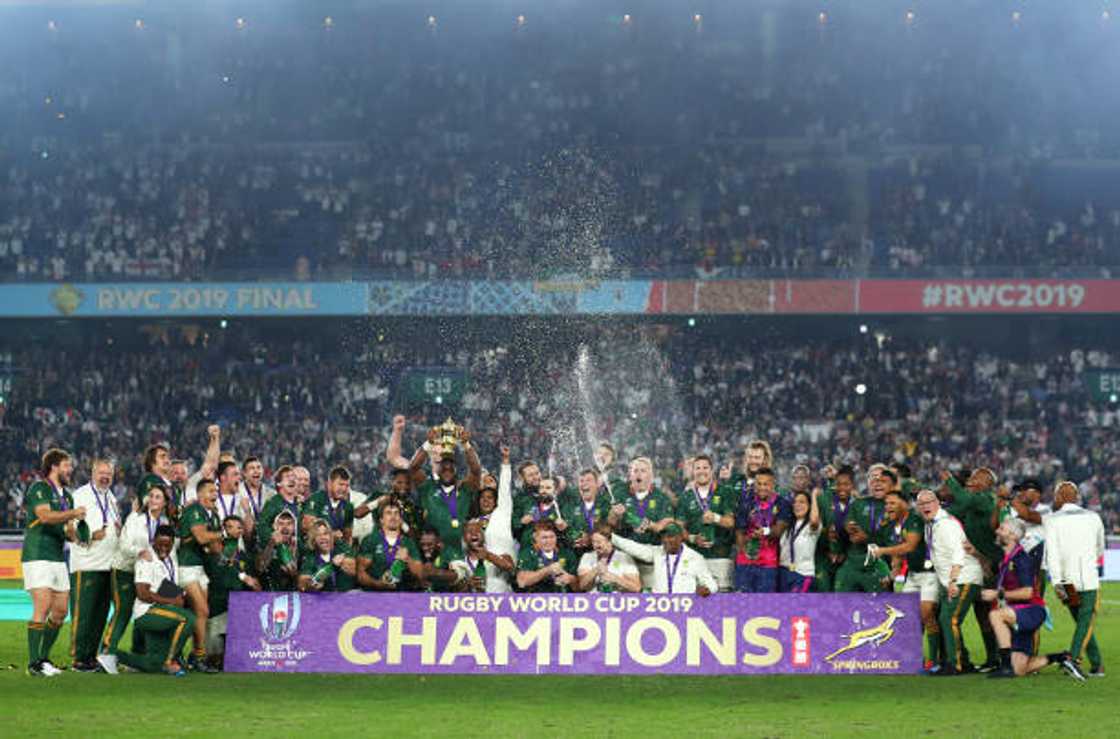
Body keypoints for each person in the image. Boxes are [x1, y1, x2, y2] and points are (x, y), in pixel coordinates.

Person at [97, 525, 194, 677]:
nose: (163, 548)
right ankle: (171, 661)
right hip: (147, 612)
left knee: (153, 664)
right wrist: (171, 600)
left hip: (163, 612)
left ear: (173, 543)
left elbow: (164, 583)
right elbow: (142, 594)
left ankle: (114, 656)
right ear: (153, 541)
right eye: (160, 544)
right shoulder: (146, 560)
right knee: (187, 619)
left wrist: (179, 595)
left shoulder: (171, 557)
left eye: (167, 545)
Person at [23, 449, 85, 677]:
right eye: (67, 466)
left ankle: (44, 658)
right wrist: (72, 513)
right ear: (54, 466)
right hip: (37, 554)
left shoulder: (66, 496)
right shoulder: (40, 488)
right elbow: (45, 516)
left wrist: (82, 536)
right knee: (43, 605)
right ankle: (33, 664)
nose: (70, 470)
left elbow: (68, 531)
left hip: (58, 557)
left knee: (60, 611)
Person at [984, 519, 1070, 679]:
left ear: (1013, 536)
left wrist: (997, 594)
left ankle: (1004, 665)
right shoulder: (1007, 559)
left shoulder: (1021, 559)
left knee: (995, 615)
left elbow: (1027, 593)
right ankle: (1060, 657)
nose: (997, 531)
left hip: (1031, 611)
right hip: (1017, 613)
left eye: (1001, 529)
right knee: (1020, 670)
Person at [869, 488, 939, 668]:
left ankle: (934, 660)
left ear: (905, 504)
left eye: (892, 503)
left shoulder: (914, 520)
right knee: (908, 617)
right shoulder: (895, 525)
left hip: (930, 574)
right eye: (886, 504)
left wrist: (882, 551)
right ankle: (916, 659)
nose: (888, 507)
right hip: (913, 575)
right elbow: (899, 555)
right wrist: (892, 574)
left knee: (926, 614)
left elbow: (909, 546)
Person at [917, 489, 984, 676]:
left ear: (938, 503)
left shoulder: (946, 525)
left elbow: (958, 553)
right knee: (947, 619)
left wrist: (953, 581)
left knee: (949, 619)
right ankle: (963, 662)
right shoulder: (932, 525)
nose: (925, 506)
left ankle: (956, 665)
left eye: (929, 502)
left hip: (964, 577)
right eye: (921, 504)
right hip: (952, 580)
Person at [1044, 481, 1106, 679]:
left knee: (1082, 622)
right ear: (1077, 496)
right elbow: (1100, 548)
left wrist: (1056, 582)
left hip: (1066, 581)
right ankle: (1074, 659)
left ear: (1058, 498)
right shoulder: (1093, 517)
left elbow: (1051, 555)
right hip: (1088, 579)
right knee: (1085, 622)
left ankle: (1096, 664)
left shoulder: (1052, 520)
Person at [67, 458, 121, 672]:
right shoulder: (80, 495)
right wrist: (89, 536)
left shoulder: (112, 498)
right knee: (84, 614)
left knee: (100, 615)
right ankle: (79, 659)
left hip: (108, 565)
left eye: (109, 473)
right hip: (86, 564)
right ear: (92, 473)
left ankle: (90, 656)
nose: (105, 477)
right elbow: (69, 529)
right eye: (102, 473)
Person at [104, 483, 169, 655]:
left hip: (145, 576)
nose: (153, 500)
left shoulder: (163, 523)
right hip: (124, 570)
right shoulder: (136, 519)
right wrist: (139, 552)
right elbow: (124, 546)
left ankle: (139, 653)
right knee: (123, 612)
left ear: (164, 503)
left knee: (145, 611)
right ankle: (105, 653)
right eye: (152, 496)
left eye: (158, 497)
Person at [408, 424, 482, 560]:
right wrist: (428, 443)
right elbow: (413, 468)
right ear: (438, 468)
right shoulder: (428, 487)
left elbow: (476, 470)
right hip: (431, 551)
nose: (447, 469)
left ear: (456, 470)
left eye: (450, 467)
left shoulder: (464, 490)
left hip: (459, 553)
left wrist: (466, 444)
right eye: (444, 466)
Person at [176, 477, 223, 672]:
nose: (215, 494)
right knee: (201, 611)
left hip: (200, 568)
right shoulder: (194, 510)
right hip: (185, 567)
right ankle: (196, 655)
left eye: (216, 491)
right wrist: (223, 534)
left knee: (200, 613)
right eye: (211, 491)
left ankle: (196, 654)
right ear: (200, 494)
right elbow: (202, 537)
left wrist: (215, 541)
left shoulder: (212, 515)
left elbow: (215, 549)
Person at [205, 515, 261, 667]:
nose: (234, 530)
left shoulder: (245, 557)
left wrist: (254, 586)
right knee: (213, 658)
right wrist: (243, 577)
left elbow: (251, 582)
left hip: (237, 612)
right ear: (223, 530)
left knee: (234, 660)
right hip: (217, 609)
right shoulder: (215, 552)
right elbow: (221, 576)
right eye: (229, 527)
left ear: (242, 531)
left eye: (238, 527)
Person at [674, 454, 736, 591]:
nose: (701, 471)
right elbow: (678, 527)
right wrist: (693, 538)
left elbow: (731, 522)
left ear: (712, 470)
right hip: (694, 557)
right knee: (695, 601)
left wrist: (716, 518)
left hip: (720, 557)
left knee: (722, 601)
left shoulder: (725, 492)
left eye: (705, 467)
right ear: (693, 471)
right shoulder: (686, 497)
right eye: (698, 468)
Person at [610, 521, 717, 595]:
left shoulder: (694, 557)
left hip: (684, 607)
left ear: (680, 538)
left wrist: (707, 589)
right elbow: (635, 548)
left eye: (670, 536)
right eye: (664, 537)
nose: (666, 540)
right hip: (661, 606)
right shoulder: (657, 552)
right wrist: (612, 537)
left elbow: (711, 584)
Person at [730, 467, 792, 593]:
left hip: (768, 564)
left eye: (766, 484)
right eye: (759, 484)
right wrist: (744, 548)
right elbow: (739, 531)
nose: (762, 487)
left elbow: (779, 529)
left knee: (765, 604)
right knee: (742, 603)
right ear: (754, 484)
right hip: (745, 563)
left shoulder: (782, 503)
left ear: (773, 485)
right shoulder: (746, 502)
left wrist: (765, 532)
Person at [834, 467, 892, 593]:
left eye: (881, 479)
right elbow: (848, 525)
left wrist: (867, 539)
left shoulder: (895, 506)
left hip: (879, 563)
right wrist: (849, 528)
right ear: (868, 483)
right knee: (839, 602)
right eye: (873, 478)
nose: (877, 482)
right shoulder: (858, 503)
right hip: (853, 562)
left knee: (880, 607)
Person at [356, 500, 424, 591]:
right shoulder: (370, 540)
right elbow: (360, 574)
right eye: (388, 513)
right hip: (374, 595)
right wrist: (377, 584)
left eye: (396, 513)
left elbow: (420, 575)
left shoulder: (409, 543)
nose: (393, 517)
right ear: (381, 520)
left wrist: (408, 559)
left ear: (400, 520)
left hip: (401, 596)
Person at [449, 520, 516, 592]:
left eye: (477, 530)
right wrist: (468, 586)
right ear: (464, 538)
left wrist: (488, 555)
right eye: (469, 531)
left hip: (503, 602)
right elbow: (454, 595)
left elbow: (510, 567)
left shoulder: (500, 553)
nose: (473, 533)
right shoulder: (459, 564)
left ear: (484, 535)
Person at [577, 522, 641, 593]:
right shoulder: (587, 557)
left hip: (616, 601)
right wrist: (595, 570)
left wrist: (615, 579)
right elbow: (582, 586)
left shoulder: (624, 557)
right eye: (593, 541)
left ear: (610, 541)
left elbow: (636, 588)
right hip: (593, 600)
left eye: (599, 542)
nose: (595, 545)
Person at [516, 522, 578, 593]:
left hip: (562, 599)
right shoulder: (527, 554)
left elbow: (579, 588)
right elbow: (521, 582)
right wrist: (547, 570)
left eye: (552, 537)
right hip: (536, 600)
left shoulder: (567, 554)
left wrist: (571, 579)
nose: (548, 541)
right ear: (535, 538)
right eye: (544, 537)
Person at [563, 468, 612, 557]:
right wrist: (576, 537)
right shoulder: (570, 506)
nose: (584, 483)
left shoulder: (607, 504)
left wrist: (590, 538)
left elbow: (610, 527)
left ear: (597, 484)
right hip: (576, 554)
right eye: (581, 481)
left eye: (588, 480)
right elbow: (567, 529)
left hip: (602, 553)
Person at [778, 489, 821, 593]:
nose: (797, 505)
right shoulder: (789, 527)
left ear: (810, 506)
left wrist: (814, 496)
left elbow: (814, 520)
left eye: (802, 502)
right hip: (784, 572)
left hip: (803, 574)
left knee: (797, 607)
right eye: (795, 502)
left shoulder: (811, 527)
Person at [299, 520, 358, 592]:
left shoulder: (341, 547)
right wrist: (332, 566)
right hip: (323, 600)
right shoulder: (310, 556)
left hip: (347, 597)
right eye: (318, 535)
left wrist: (318, 576)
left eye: (325, 533)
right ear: (314, 540)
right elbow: (302, 584)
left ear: (330, 535)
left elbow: (353, 569)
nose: (323, 537)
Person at [302, 466, 355, 546]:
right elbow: (307, 526)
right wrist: (330, 534)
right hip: (315, 548)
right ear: (329, 484)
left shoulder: (348, 506)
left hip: (337, 550)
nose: (344, 489)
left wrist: (347, 553)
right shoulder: (317, 499)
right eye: (340, 484)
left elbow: (348, 536)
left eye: (347, 485)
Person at [256, 465, 303, 546]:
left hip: (298, 551)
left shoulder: (300, 503)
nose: (291, 479)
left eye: (293, 477)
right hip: (280, 552)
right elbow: (262, 526)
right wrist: (274, 537)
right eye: (287, 477)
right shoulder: (273, 503)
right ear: (279, 484)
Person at [516, 476, 567, 547]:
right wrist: (521, 522)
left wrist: (564, 529)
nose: (543, 491)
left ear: (555, 491)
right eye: (541, 487)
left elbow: (568, 535)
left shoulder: (563, 508)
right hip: (527, 550)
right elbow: (514, 528)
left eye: (548, 488)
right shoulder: (529, 505)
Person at [258, 510, 300, 592]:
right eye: (281, 523)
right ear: (274, 527)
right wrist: (271, 544)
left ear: (294, 527)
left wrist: (295, 573)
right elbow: (260, 567)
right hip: (268, 593)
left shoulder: (300, 546)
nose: (285, 527)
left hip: (294, 595)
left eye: (289, 524)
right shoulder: (266, 544)